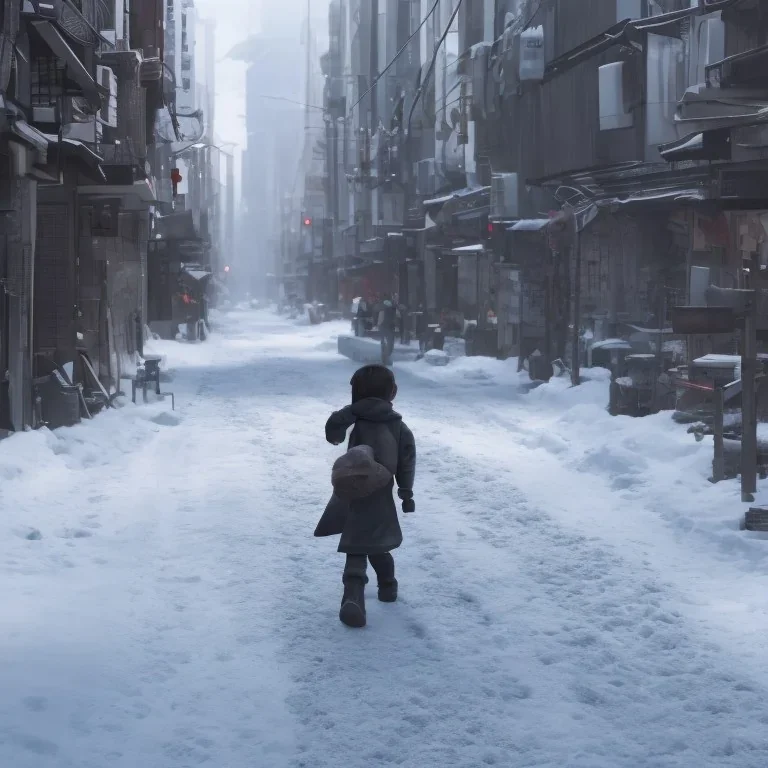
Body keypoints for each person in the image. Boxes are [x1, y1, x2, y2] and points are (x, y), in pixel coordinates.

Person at [315, 364, 416, 628]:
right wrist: (406, 492)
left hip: (353, 490)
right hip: (381, 494)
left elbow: (333, 432)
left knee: (357, 544)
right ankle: (387, 587)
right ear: (392, 393)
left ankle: (353, 596)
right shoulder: (399, 428)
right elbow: (407, 461)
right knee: (379, 544)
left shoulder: (357, 419)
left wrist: (351, 410)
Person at [378, 295, 397, 366]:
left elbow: (380, 320)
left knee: (384, 343)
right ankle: (387, 358)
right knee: (390, 344)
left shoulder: (383, 310)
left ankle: (384, 359)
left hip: (384, 328)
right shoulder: (393, 310)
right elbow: (396, 318)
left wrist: (379, 326)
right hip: (390, 328)